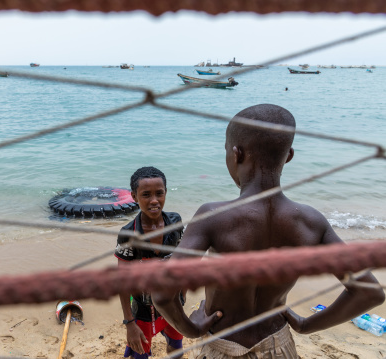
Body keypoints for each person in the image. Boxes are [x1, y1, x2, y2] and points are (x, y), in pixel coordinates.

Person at [151, 104, 385, 359]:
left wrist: (192, 329)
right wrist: (307, 325)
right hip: (278, 345)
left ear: (236, 154)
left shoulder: (213, 216)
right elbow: (368, 291)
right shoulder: (311, 221)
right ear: (289, 156)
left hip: (222, 345)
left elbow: (163, 293)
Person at [115, 166, 185, 359]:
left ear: (166, 193)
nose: (154, 200)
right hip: (143, 311)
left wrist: (183, 297)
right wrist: (129, 323)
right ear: (134, 196)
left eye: (159, 193)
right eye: (146, 194)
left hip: (173, 305)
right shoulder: (129, 234)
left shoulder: (176, 224)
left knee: (176, 347)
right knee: (141, 354)